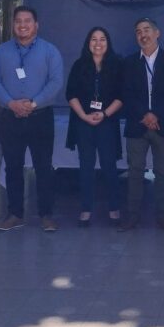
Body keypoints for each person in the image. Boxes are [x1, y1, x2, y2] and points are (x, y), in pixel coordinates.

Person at [0, 6, 64, 233]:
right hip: (10, 117)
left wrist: (33, 103)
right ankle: (15, 214)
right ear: (13, 25)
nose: (23, 25)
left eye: (27, 21)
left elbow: (56, 82)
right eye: (18, 21)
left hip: (40, 117)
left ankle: (46, 215)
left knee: (44, 167)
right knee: (13, 167)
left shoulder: (50, 51)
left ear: (36, 25)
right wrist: (11, 103)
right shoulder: (1, 52)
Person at [119, 18, 164, 232]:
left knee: (163, 172)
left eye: (146, 30)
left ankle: (163, 217)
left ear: (157, 33)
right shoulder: (129, 62)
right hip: (137, 125)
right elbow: (126, 93)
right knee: (135, 172)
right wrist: (144, 115)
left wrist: (155, 115)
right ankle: (132, 217)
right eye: (138, 32)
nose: (142, 35)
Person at [65, 27, 124, 227]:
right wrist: (84, 116)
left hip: (107, 122)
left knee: (109, 166)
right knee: (86, 166)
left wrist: (104, 113)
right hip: (83, 122)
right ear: (88, 43)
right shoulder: (79, 65)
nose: (98, 43)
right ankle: (86, 209)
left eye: (102, 39)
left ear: (108, 43)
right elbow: (70, 94)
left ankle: (114, 208)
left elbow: (122, 96)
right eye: (94, 39)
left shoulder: (116, 65)